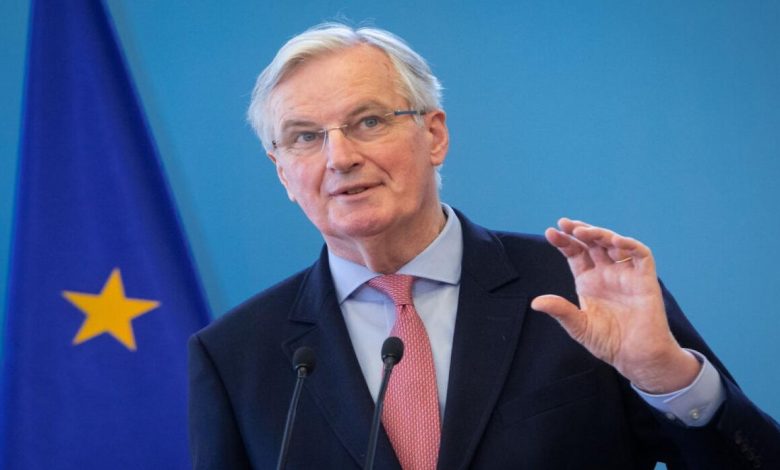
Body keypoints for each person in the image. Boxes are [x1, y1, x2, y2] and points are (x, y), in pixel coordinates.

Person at [188, 23, 780, 469]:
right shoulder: (237, 357)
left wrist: (665, 377)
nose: (339, 157)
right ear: (282, 172)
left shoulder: (579, 286)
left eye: (368, 121)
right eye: (305, 137)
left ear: (434, 135)